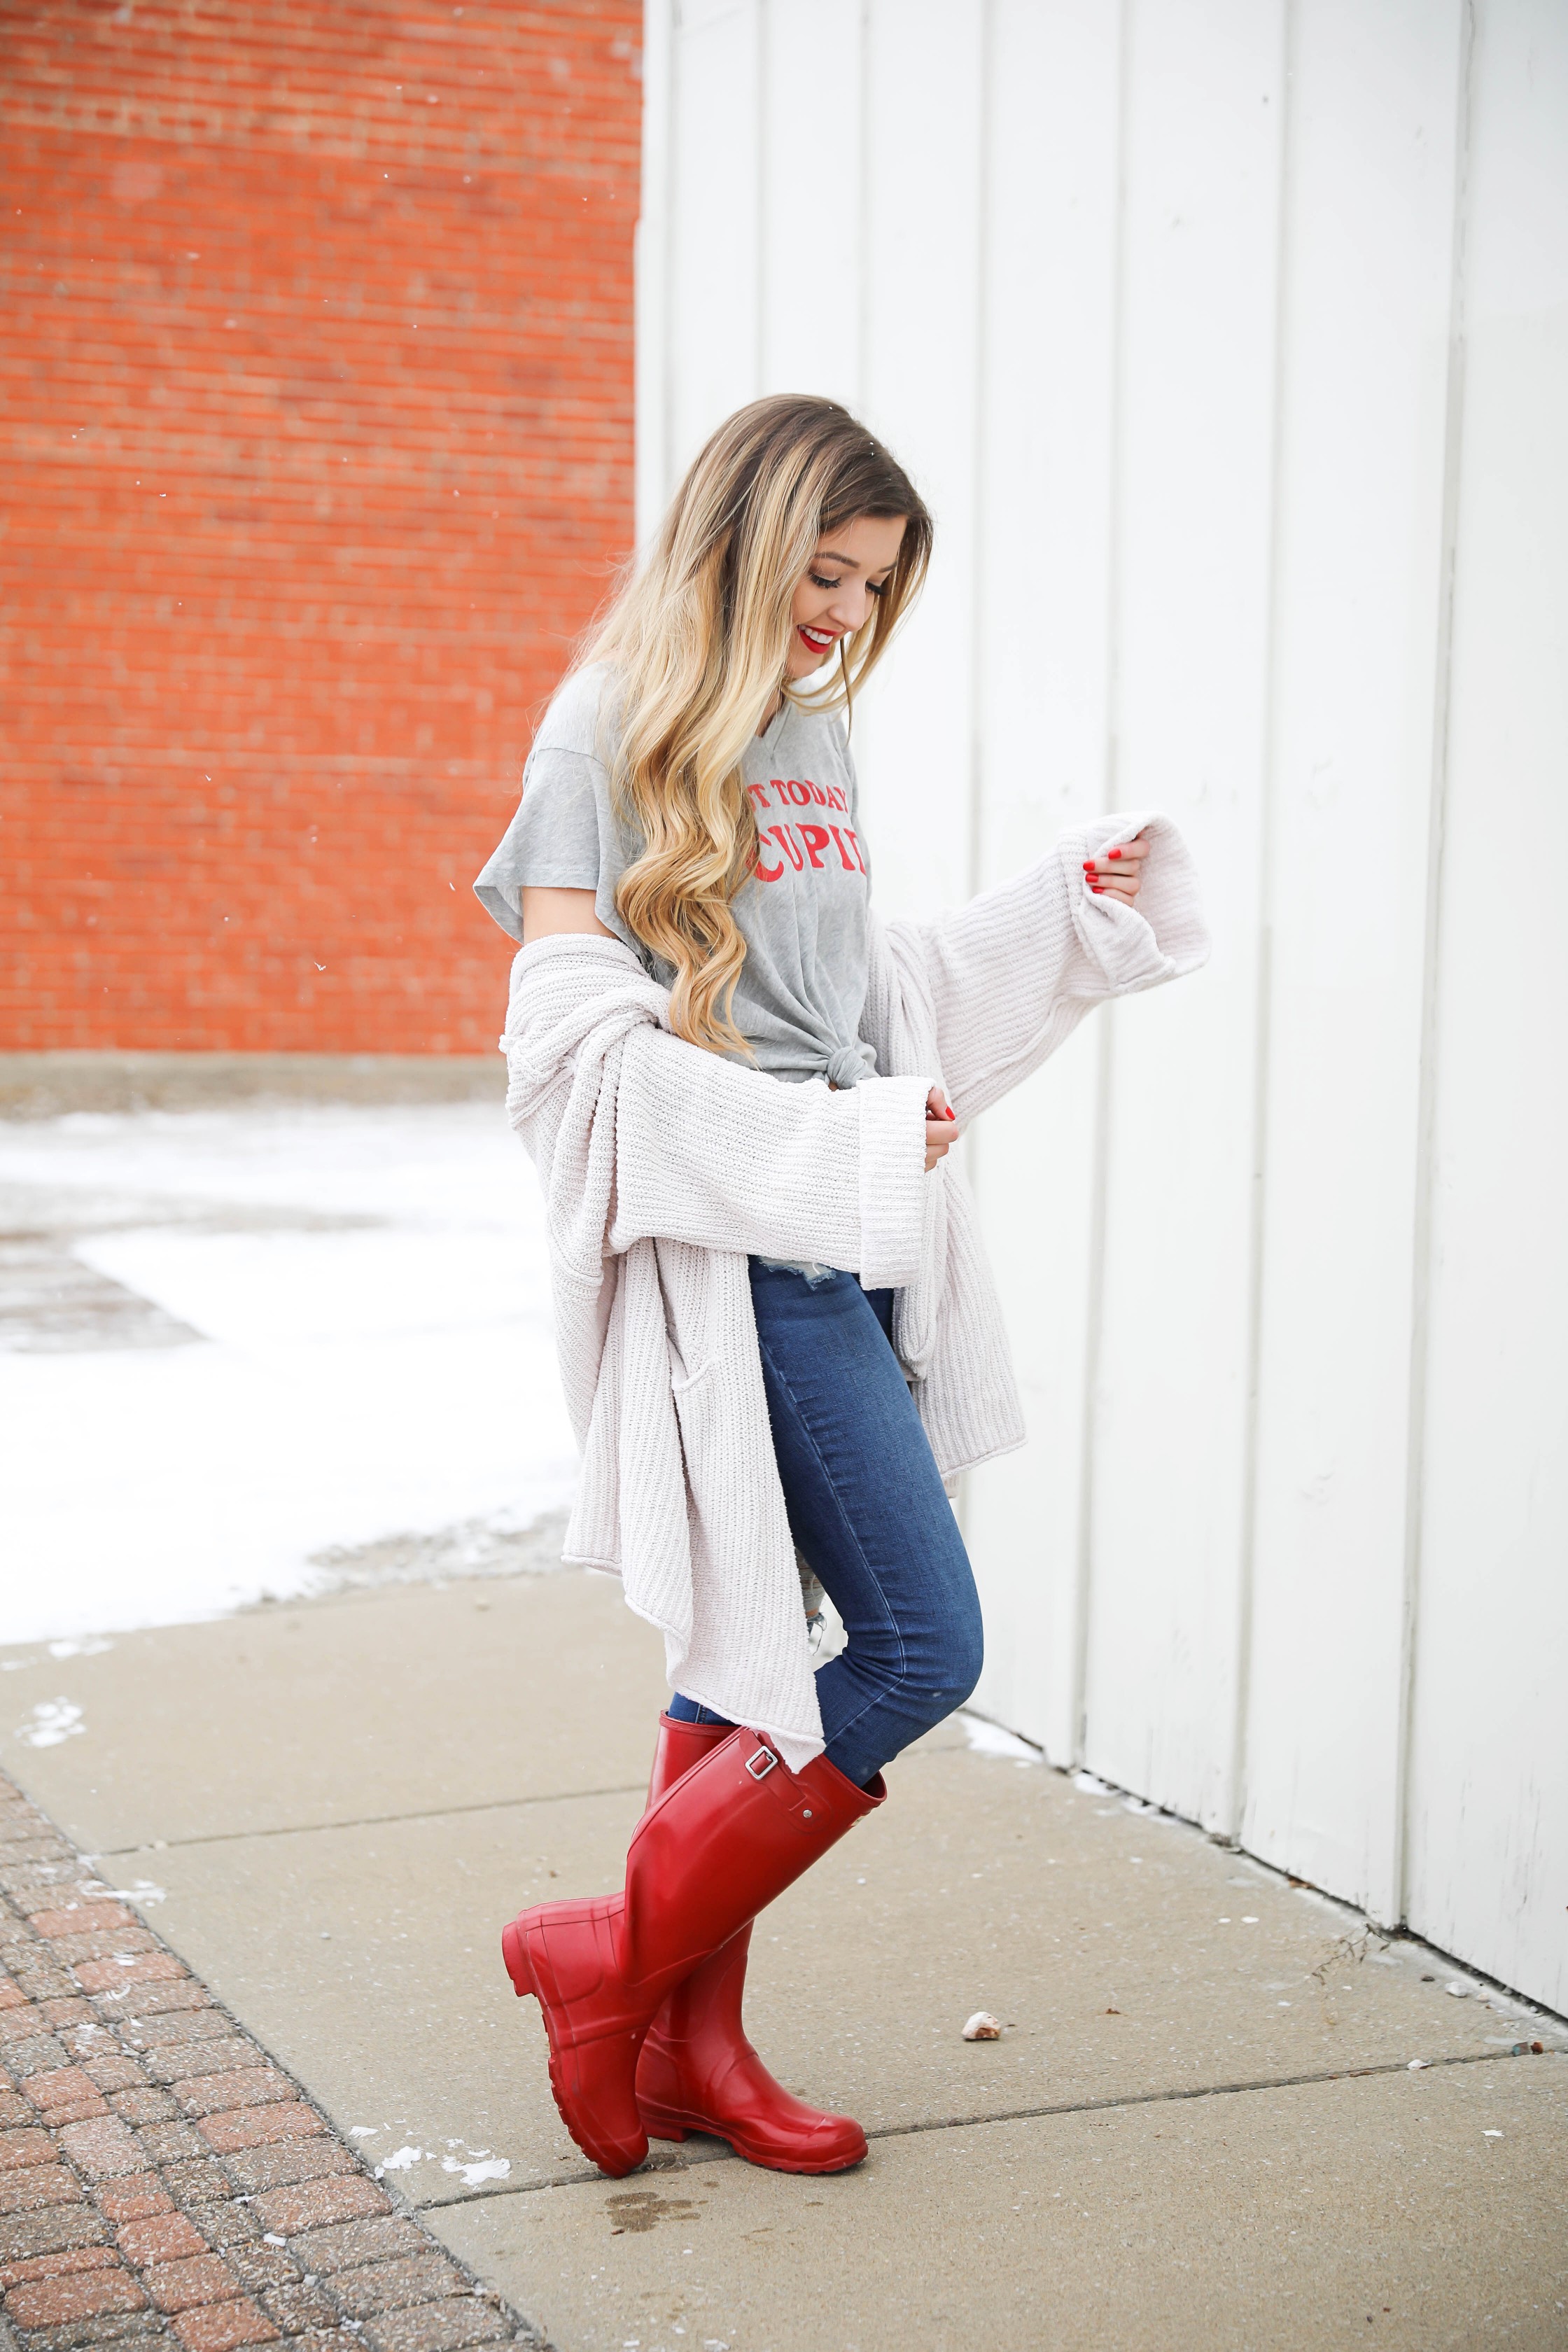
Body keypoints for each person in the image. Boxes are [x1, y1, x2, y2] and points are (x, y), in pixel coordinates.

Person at [474, 393, 1208, 2182]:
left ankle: (685, 2050)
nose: (845, 619)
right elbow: (565, 1045)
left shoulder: (810, 726)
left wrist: (1051, 909)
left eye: (874, 589)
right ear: (739, 539)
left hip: (844, 1251)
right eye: (823, 573)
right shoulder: (599, 730)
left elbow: (838, 989)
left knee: (743, 1671)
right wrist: (835, 1152)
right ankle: (611, 1955)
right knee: (919, 1644)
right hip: (751, 1272)